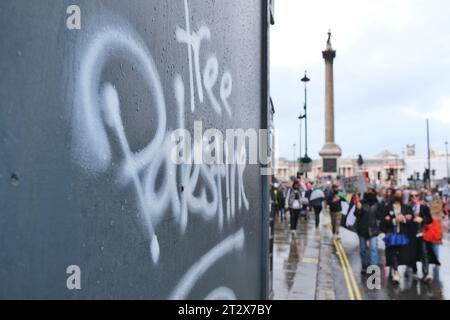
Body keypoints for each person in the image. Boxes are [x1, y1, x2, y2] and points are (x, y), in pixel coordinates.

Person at [381, 189, 412, 284]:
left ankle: (397, 269)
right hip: (391, 234)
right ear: (394, 195)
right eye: (397, 193)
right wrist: (394, 220)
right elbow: (384, 220)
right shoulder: (387, 207)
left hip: (402, 234)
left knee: (400, 254)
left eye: (400, 194)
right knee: (393, 252)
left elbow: (410, 219)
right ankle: (396, 273)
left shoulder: (406, 207)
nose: (398, 195)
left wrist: (404, 219)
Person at [408, 190, 440, 282]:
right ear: (410, 197)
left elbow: (429, 219)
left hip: (422, 233)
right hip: (411, 233)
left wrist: (422, 219)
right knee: (412, 253)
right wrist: (406, 218)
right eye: (412, 196)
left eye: (416, 195)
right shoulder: (407, 207)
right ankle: (414, 271)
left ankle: (425, 273)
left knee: (424, 253)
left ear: (419, 197)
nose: (414, 197)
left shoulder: (424, 207)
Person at [355, 187, 384, 274]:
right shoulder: (361, 202)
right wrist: (359, 209)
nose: (370, 192)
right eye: (368, 191)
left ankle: (373, 267)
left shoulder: (377, 203)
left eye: (371, 191)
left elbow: (380, 216)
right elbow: (356, 214)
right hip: (362, 228)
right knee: (363, 249)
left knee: (374, 249)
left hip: (373, 229)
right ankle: (364, 265)